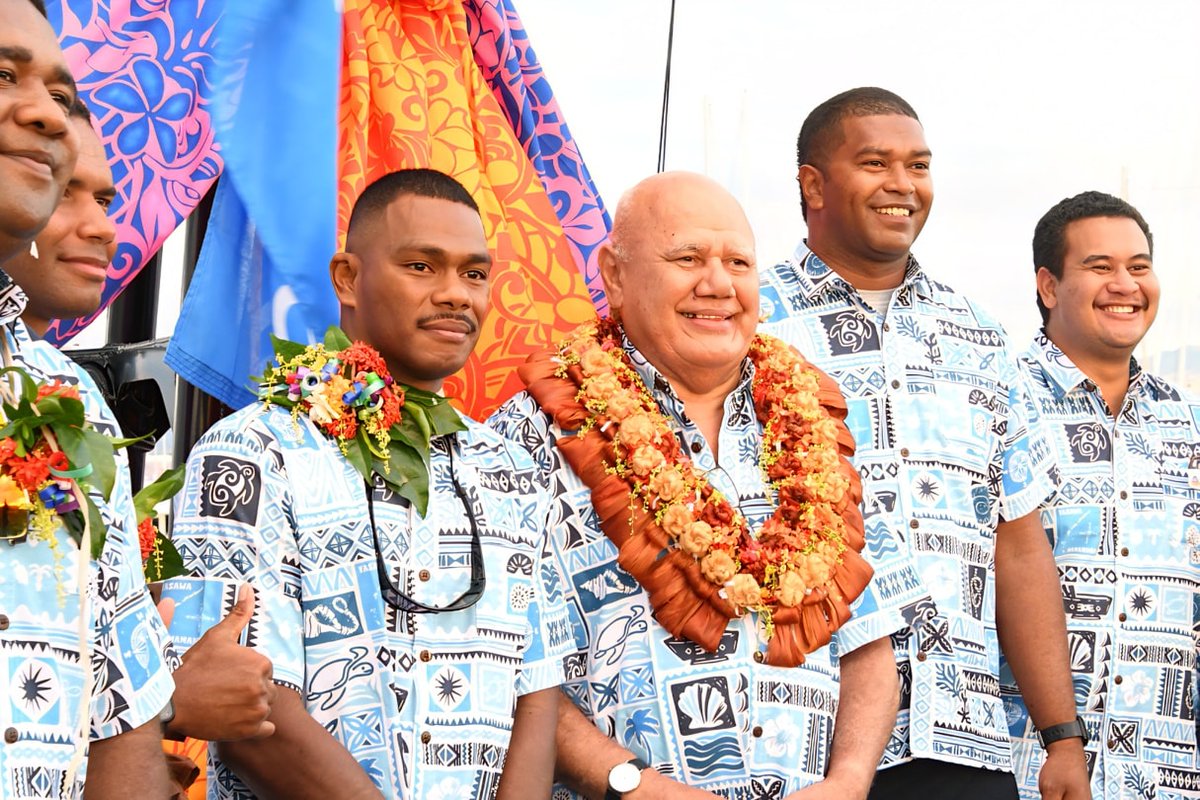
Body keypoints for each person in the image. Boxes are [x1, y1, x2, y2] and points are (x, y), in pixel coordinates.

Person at [490, 170, 906, 799]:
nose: (718, 284)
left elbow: (868, 640)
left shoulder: (818, 422)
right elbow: (506, 661)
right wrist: (629, 784)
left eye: (737, 261)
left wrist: (847, 783)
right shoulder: (530, 433)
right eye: (687, 257)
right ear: (616, 274)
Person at [164, 168, 571, 799]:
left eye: (474, 273)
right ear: (347, 279)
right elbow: (247, 703)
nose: (457, 295)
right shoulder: (253, 449)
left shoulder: (511, 466)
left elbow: (538, 693)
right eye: (421, 266)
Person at [758, 87, 1090, 799]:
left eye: (918, 165)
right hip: (804, 739)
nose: (902, 185)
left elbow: (1019, 544)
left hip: (964, 739)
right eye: (875, 162)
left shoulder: (976, 334)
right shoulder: (746, 324)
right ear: (812, 184)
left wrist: (1061, 733)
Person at [4, 97, 277, 749]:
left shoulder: (75, 401)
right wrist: (171, 704)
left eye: (106, 201)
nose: (104, 228)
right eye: (67, 192)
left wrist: (156, 706)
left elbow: (114, 702)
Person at [0, 1, 174, 796]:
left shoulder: (65, 397)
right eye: (4, 77)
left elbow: (120, 711)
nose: (45, 116)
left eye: (62, 100)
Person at [1001, 191, 1200, 798]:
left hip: (1166, 769)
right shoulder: (996, 403)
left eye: (1139, 267)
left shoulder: (1186, 423)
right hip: (1024, 762)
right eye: (1099, 267)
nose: (1125, 284)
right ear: (1048, 285)